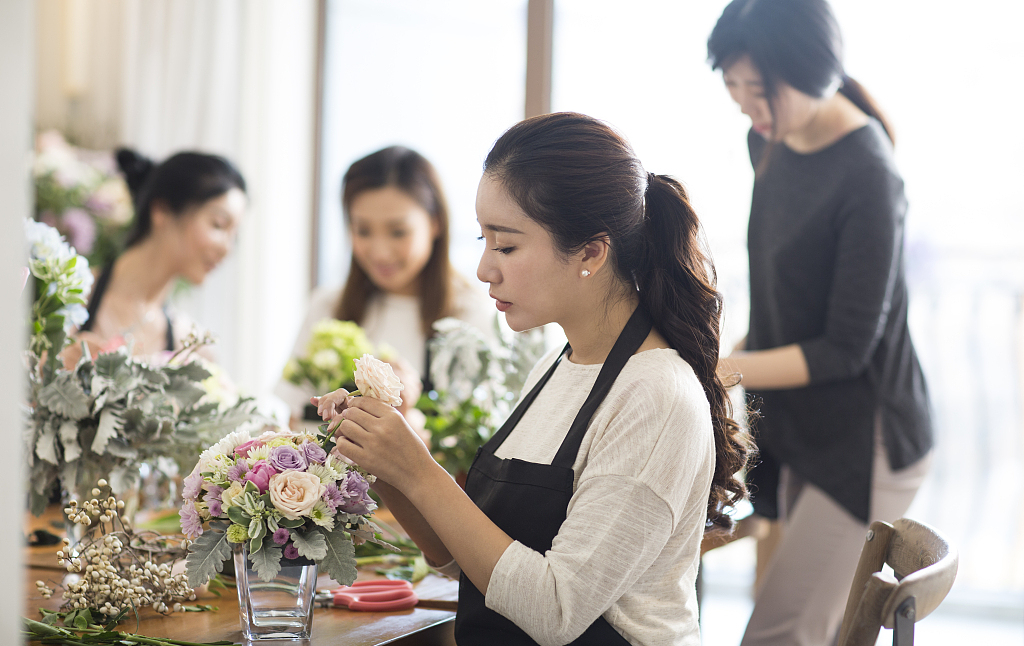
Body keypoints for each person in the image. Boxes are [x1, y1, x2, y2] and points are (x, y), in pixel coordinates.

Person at [313, 113, 751, 645]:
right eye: (484, 239)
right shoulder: (554, 369)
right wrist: (384, 460)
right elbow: (466, 565)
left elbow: (555, 611)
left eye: (506, 245)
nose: (483, 269)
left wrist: (421, 470)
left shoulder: (656, 394)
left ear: (591, 251)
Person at [708, 0, 933, 643]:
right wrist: (726, 355)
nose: (748, 105)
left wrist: (722, 367)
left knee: (777, 632)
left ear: (816, 73)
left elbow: (843, 348)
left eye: (762, 88)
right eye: (733, 85)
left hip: (868, 438)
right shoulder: (768, 142)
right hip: (805, 422)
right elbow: (786, 299)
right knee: (804, 620)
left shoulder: (869, 175)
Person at [275, 146, 495, 422]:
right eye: (363, 230)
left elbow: (476, 439)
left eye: (398, 232)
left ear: (435, 223)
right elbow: (295, 419)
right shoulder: (327, 308)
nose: (380, 252)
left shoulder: (468, 318)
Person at [74, 149, 246, 358]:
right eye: (218, 225)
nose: (226, 248)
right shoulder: (68, 297)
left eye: (234, 236)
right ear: (161, 211)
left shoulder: (191, 348)